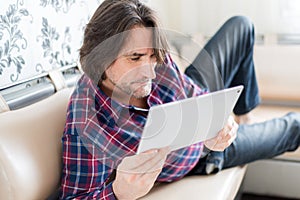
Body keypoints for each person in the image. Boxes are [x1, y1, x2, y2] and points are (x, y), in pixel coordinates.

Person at [59, 0, 300, 199]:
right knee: (294, 128)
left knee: (242, 25)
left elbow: (192, 92)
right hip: (201, 159)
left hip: (202, 129)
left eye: (153, 57)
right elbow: (75, 197)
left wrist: (217, 116)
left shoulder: (155, 59)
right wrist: (117, 192)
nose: (151, 72)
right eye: (135, 58)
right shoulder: (87, 124)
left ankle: (244, 114)